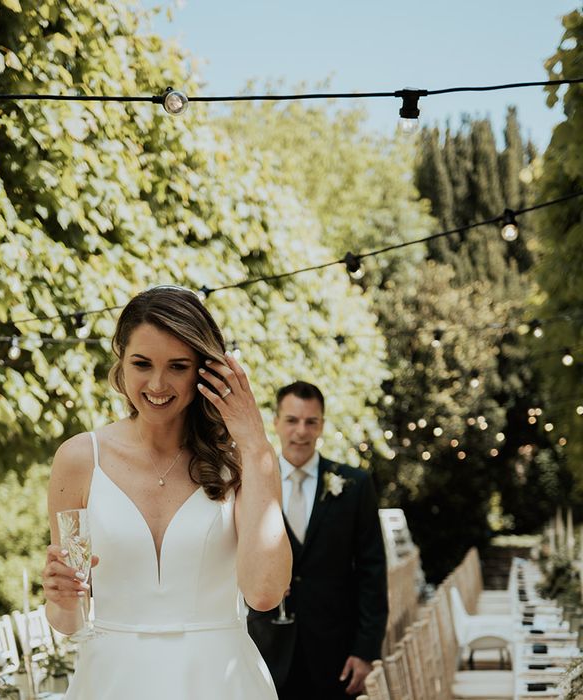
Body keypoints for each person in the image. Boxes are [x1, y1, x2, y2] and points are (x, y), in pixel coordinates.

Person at [42, 286, 292, 699]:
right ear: (121, 362)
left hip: (221, 683)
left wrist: (254, 443)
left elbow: (264, 594)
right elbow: (71, 619)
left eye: (178, 366)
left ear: (204, 371)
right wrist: (60, 596)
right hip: (112, 682)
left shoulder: (241, 461)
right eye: (142, 363)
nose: (157, 384)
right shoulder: (79, 459)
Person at [247, 381, 388, 699]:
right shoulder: (251, 483)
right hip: (265, 647)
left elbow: (372, 572)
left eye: (311, 422)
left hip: (335, 652)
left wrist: (366, 651)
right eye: (292, 420)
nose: (301, 431)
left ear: (322, 425)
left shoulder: (355, 485)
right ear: (276, 422)